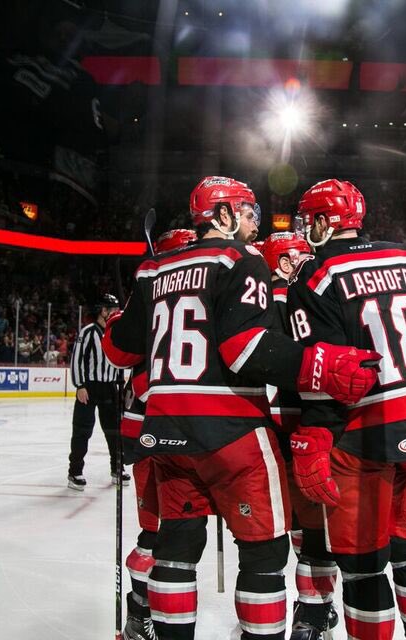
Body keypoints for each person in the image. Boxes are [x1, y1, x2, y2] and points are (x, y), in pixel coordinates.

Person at [102, 176, 379, 640]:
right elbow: (244, 348)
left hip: (167, 432)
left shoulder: (154, 270)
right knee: (265, 556)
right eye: (248, 211)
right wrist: (320, 365)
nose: (255, 222)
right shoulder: (239, 258)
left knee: (175, 549)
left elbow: (118, 349)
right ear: (224, 215)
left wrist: (120, 317)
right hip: (231, 433)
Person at [286, 179, 406, 640]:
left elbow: (325, 374)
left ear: (326, 221)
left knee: (364, 568)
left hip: (363, 437)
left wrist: (314, 438)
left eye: (309, 221)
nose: (306, 230)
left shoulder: (316, 276)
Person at [260, 232, 339, 638]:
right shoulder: (305, 297)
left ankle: (274, 609)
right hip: (305, 421)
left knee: (281, 525)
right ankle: (311, 613)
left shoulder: (247, 298)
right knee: (317, 529)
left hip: (259, 426)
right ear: (285, 262)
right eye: (301, 258)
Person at [122, 228, 195, 640]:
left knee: (175, 533)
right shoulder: (148, 312)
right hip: (152, 438)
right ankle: (139, 610)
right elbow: (141, 383)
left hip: (180, 438)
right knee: (156, 533)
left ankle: (148, 610)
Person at [67, 293, 126, 490]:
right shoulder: (88, 332)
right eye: (114, 309)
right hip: (90, 388)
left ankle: (117, 468)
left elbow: (120, 360)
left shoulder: (117, 332)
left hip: (110, 388)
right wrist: (80, 386)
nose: (117, 313)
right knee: (82, 431)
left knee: (114, 432)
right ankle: (75, 471)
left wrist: (120, 385)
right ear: (103, 311)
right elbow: (76, 359)